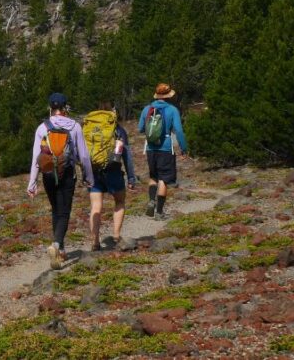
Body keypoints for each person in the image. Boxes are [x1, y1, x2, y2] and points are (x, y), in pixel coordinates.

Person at [28, 92, 95, 269]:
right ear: (65, 108)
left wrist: (32, 183)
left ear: (50, 108)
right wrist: (88, 177)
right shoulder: (74, 126)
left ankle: (61, 250)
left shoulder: (42, 128)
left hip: (48, 174)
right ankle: (57, 244)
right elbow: (85, 156)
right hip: (67, 173)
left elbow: (36, 157)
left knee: (56, 210)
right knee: (64, 212)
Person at [85, 102, 137, 251]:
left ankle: (95, 241)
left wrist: (85, 174)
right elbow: (126, 156)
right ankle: (116, 235)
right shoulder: (118, 130)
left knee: (96, 206)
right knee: (119, 201)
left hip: (94, 171)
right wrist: (131, 178)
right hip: (113, 170)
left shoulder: (90, 128)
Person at [138, 83, 189, 220]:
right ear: (168, 96)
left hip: (150, 148)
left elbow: (140, 128)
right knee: (163, 179)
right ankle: (159, 212)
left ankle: (151, 200)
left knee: (153, 176)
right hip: (166, 148)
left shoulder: (147, 109)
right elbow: (178, 130)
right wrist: (184, 149)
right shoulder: (172, 110)